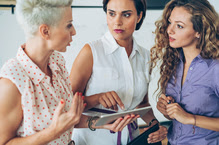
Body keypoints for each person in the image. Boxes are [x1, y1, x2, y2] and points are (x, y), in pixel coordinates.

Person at [0, 0, 138, 144]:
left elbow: (69, 118)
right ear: (45, 31)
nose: (74, 32)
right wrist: (53, 132)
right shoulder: (12, 81)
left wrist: (101, 122)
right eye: (68, 25)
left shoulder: (56, 63)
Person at [69, 0, 168, 144]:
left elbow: (142, 103)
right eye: (111, 14)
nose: (117, 22)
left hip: (132, 138)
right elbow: (67, 106)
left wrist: (154, 125)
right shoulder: (91, 52)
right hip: (91, 140)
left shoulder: (146, 56)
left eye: (126, 15)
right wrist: (97, 98)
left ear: (139, 16)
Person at [150, 0, 219, 144]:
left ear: (199, 32)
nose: (170, 30)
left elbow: (185, 118)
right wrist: (166, 111)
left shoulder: (215, 68)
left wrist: (190, 118)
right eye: (170, 22)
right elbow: (176, 118)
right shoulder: (173, 63)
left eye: (179, 26)